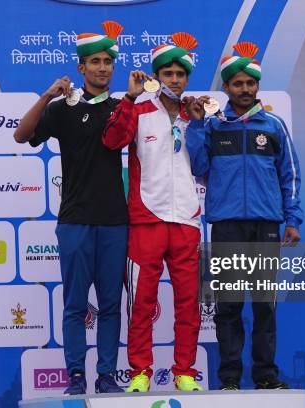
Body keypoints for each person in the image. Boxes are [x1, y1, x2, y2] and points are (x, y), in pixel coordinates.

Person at [14, 21, 128, 395]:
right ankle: (76, 375)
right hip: (75, 221)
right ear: (81, 67)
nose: (102, 68)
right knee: (75, 304)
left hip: (115, 221)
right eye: (94, 62)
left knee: (111, 304)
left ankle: (107, 375)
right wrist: (47, 95)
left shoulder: (122, 108)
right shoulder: (63, 109)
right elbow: (21, 135)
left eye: (108, 62)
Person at [184, 42, 303, 390]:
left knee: (265, 306)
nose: (245, 90)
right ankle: (230, 379)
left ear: (257, 87)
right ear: (225, 88)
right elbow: (199, 166)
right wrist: (195, 127)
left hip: (266, 224)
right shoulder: (215, 127)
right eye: (237, 84)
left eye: (250, 84)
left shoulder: (274, 125)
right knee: (229, 305)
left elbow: (290, 175)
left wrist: (292, 220)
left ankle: (266, 376)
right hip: (227, 224)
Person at [102, 32, 202, 392]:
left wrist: (200, 122)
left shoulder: (197, 112)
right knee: (141, 302)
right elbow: (112, 141)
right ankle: (141, 371)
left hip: (187, 221)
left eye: (180, 73)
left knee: (189, 303)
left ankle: (185, 373)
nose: (175, 79)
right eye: (168, 73)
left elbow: (206, 163)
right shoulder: (139, 109)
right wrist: (129, 97)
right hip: (146, 219)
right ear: (157, 75)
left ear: (187, 77)